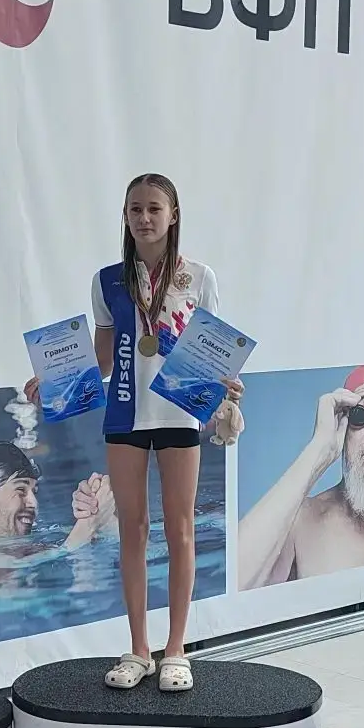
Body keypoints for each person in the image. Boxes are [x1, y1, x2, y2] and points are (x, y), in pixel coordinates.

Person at [25, 172, 243, 692]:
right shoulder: (107, 281)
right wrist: (55, 381)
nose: (144, 218)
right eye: (135, 209)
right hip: (124, 413)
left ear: (173, 215)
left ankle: (176, 649)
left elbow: (210, 349)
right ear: (124, 217)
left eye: (153, 208)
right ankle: (139, 649)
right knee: (132, 529)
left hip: (178, 414)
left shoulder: (199, 277)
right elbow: (104, 358)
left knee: (181, 529)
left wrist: (226, 383)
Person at [238, 365, 364, 588]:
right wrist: (320, 448)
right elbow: (235, 583)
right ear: (343, 426)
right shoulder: (301, 520)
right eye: (361, 415)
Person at [0, 440, 116, 555]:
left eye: (34, 492)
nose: (34, 503)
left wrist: (97, 507)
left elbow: (123, 544)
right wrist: (89, 524)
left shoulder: (37, 547)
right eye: (20, 490)